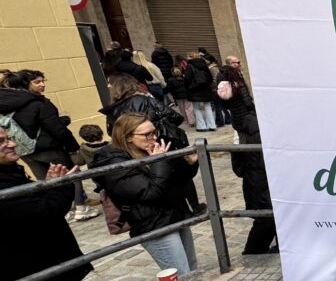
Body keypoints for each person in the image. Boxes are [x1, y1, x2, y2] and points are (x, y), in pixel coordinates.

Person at [0, 125, 98, 281]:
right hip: (42, 279)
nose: (12, 144)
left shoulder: (9, 172)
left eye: (8, 138)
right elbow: (43, 214)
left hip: (27, 280)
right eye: (1, 142)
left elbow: (30, 209)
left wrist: (47, 186)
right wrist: (61, 186)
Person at [93, 113, 201, 275]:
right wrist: (159, 161)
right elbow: (150, 192)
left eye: (154, 132)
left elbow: (176, 181)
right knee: (181, 274)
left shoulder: (149, 149)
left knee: (192, 269)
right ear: (128, 137)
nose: (154, 137)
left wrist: (189, 163)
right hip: (152, 224)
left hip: (174, 215)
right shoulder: (114, 162)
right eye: (147, 134)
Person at [0, 70, 97, 221]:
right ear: (26, 85)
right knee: (71, 175)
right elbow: (56, 129)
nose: (42, 85)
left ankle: (63, 211)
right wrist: (73, 147)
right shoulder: (37, 102)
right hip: (49, 148)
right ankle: (81, 208)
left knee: (45, 181)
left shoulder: (4, 105)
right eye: (37, 82)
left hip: (23, 149)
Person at [101, 73, 204, 215]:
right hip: (161, 144)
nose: (107, 86)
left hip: (136, 151)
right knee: (172, 175)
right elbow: (175, 116)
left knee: (162, 175)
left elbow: (111, 132)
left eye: (110, 83)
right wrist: (158, 126)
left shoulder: (113, 109)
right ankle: (191, 208)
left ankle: (181, 211)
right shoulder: (145, 100)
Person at [218, 56, 277, 253]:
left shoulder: (244, 127)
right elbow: (242, 167)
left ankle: (273, 248)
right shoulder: (257, 128)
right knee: (267, 219)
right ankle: (253, 253)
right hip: (261, 183)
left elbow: (239, 166)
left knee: (273, 217)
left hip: (260, 181)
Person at [183, 52, 217, 132]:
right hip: (205, 88)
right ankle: (212, 125)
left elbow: (187, 78)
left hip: (194, 89)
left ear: (190, 57)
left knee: (196, 108)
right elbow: (210, 77)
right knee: (208, 107)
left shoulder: (189, 65)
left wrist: (187, 86)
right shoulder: (204, 64)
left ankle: (201, 126)